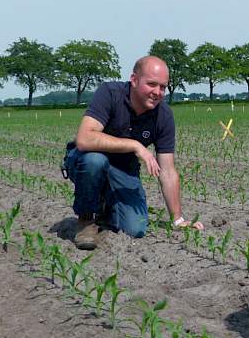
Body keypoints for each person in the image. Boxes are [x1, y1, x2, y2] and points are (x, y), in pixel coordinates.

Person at [64, 56, 203, 250]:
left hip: (123, 169)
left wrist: (178, 220)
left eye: (163, 87)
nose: (157, 92)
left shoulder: (163, 115)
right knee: (95, 161)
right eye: (152, 84)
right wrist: (136, 145)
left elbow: (168, 171)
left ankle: (106, 205)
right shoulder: (110, 93)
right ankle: (86, 220)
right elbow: (84, 139)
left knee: (135, 228)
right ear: (134, 80)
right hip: (86, 160)